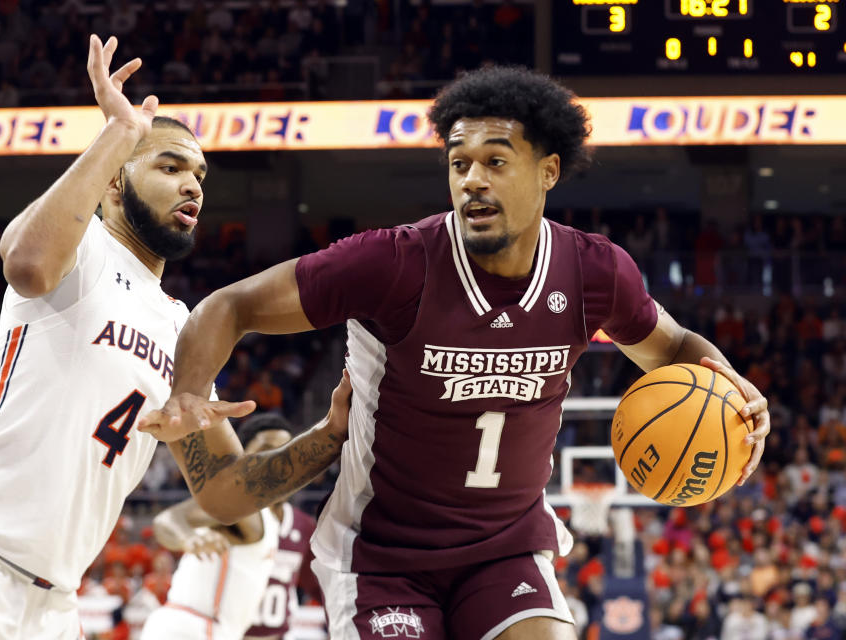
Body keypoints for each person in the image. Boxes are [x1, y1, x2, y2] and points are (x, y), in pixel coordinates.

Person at [138, 66, 771, 640]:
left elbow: (678, 349)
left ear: (548, 171)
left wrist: (736, 394)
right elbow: (230, 305)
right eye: (458, 162)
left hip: (507, 546)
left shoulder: (594, 271)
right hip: (384, 554)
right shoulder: (393, 262)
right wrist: (189, 390)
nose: (472, 180)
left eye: (496, 161)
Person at [0, 35, 350, 640]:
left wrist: (332, 433)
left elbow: (227, 494)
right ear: (112, 183)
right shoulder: (82, 251)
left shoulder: (184, 331)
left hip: (53, 607)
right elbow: (25, 264)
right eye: (169, 165)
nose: (193, 185)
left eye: (199, 174)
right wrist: (119, 134)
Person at [140, 413, 318, 640]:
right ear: (245, 456)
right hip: (191, 628)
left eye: (285, 450)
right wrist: (187, 538)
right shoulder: (241, 505)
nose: (278, 458)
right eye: (267, 448)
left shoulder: (278, 520)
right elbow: (167, 520)